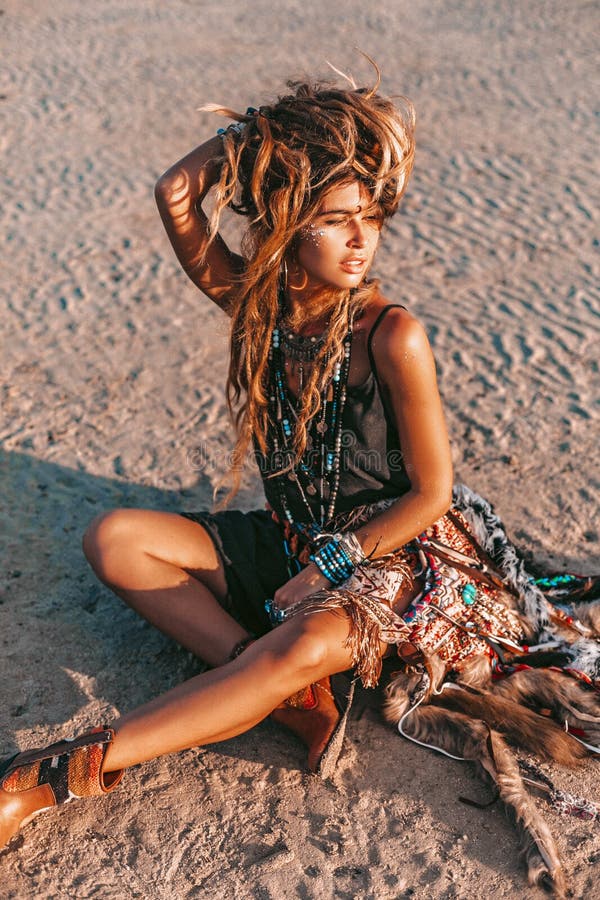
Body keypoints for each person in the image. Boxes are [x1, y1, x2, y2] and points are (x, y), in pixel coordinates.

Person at [1, 69, 597, 858]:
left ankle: (45, 777)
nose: (361, 240)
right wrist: (259, 140)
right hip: (294, 534)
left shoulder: (393, 334)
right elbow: (178, 191)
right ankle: (277, 696)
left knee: (307, 645)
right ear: (287, 223)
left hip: (396, 553)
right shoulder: (260, 309)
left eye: (371, 219)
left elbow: (433, 494)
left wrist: (333, 565)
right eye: (335, 220)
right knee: (114, 539)